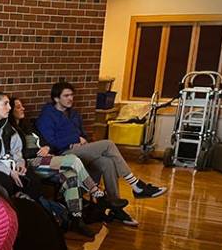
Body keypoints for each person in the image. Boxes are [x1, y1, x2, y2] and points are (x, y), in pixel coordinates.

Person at [35, 81, 168, 225]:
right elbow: (51, 141)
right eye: (66, 96)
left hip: (80, 150)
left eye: (72, 95)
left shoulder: (73, 114)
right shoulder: (47, 115)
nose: (70, 98)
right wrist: (73, 140)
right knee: (108, 144)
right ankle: (136, 185)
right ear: (56, 98)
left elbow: (83, 135)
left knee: (107, 162)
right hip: (64, 155)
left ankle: (115, 206)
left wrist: (82, 140)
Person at [9, 96, 134, 231]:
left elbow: (46, 142)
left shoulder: (29, 127)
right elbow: (17, 152)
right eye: (18, 107)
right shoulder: (10, 130)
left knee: (71, 175)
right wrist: (37, 152)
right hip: (31, 162)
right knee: (73, 160)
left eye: (22, 105)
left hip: (47, 159)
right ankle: (98, 194)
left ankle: (77, 219)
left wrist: (47, 148)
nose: (23, 108)